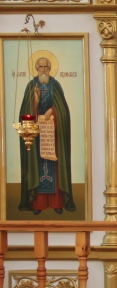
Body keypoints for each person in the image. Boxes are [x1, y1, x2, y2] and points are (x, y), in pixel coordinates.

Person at [17, 56, 75, 215]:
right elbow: (25, 111)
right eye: (41, 67)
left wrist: (53, 111)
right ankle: (38, 204)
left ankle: (57, 203)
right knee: (37, 166)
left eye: (46, 67)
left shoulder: (55, 85)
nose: (43, 70)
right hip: (36, 135)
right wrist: (35, 101)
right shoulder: (31, 86)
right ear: (37, 69)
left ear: (50, 69)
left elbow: (63, 110)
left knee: (54, 167)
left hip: (53, 135)